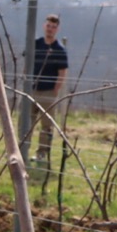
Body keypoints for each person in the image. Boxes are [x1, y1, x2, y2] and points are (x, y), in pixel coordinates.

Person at [30, 14, 68, 164]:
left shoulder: (59, 49)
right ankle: (21, 149)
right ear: (43, 26)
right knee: (26, 122)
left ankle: (42, 153)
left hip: (48, 91)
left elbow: (62, 72)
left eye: (53, 27)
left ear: (57, 29)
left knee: (46, 125)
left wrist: (55, 90)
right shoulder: (36, 44)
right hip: (32, 89)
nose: (50, 29)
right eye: (48, 26)